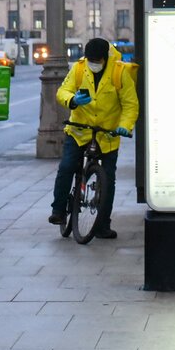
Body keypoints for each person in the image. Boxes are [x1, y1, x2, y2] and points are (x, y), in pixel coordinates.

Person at [49, 37, 139, 239]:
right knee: (66, 167)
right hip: (80, 130)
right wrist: (72, 100)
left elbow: (130, 104)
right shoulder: (79, 69)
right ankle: (58, 210)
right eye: (90, 60)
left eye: (96, 60)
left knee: (109, 177)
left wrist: (124, 126)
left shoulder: (119, 72)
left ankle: (102, 225)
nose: (93, 64)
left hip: (108, 133)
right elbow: (63, 91)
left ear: (105, 57)